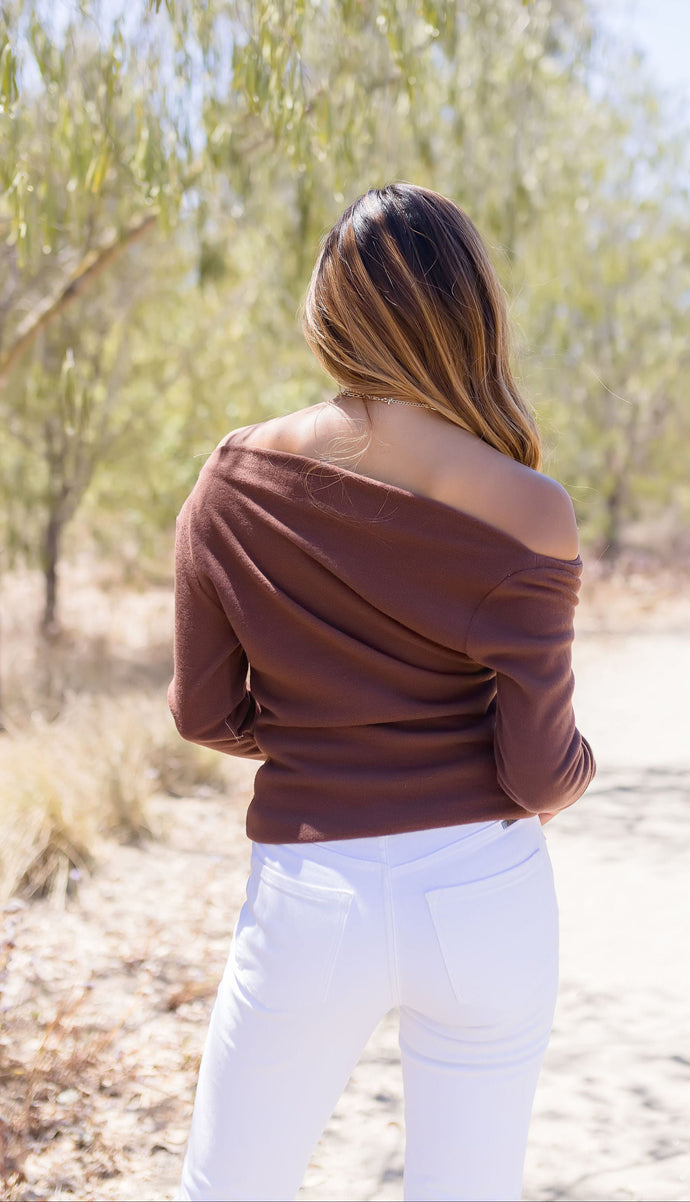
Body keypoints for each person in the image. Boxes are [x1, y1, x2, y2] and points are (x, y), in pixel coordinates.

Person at [168, 182, 596, 1202]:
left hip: (310, 898)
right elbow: (536, 769)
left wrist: (325, 730)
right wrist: (578, 769)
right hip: (483, 898)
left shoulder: (232, 476)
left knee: (228, 1186)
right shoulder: (532, 509)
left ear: (329, 314)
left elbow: (200, 710)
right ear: (473, 320)